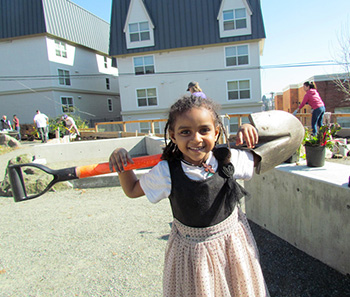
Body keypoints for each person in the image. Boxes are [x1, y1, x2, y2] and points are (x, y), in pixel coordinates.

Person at [109, 95, 269, 296]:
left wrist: (252, 129)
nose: (196, 139)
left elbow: (277, 146)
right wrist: (120, 161)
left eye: (204, 130)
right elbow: (132, 190)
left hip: (232, 246)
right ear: (173, 136)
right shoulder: (166, 172)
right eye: (185, 132)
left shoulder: (230, 158)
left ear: (216, 132)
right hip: (191, 254)